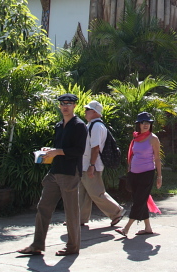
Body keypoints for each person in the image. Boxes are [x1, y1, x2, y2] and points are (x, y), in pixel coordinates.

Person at [18, 93, 88, 257]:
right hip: (55, 172)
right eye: (63, 103)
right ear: (59, 106)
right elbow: (58, 149)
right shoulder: (58, 126)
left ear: (74, 106)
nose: (65, 106)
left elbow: (79, 151)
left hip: (70, 173)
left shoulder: (79, 125)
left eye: (69, 104)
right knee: (43, 207)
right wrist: (49, 152)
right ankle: (37, 245)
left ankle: (72, 247)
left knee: (71, 212)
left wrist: (57, 151)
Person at [79, 100, 125, 228]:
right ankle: (80, 218)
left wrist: (91, 166)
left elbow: (95, 148)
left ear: (94, 112)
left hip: (91, 165)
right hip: (85, 164)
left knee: (96, 193)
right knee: (83, 193)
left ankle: (116, 212)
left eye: (87, 110)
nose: (85, 112)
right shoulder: (91, 125)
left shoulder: (97, 127)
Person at [118, 112, 162, 237]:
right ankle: (148, 228)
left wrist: (159, 176)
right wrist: (129, 171)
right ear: (138, 125)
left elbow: (157, 158)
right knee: (140, 201)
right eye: (143, 122)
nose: (146, 125)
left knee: (138, 202)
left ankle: (126, 228)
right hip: (134, 174)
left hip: (147, 174)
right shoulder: (136, 138)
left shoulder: (153, 139)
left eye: (148, 123)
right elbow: (132, 155)